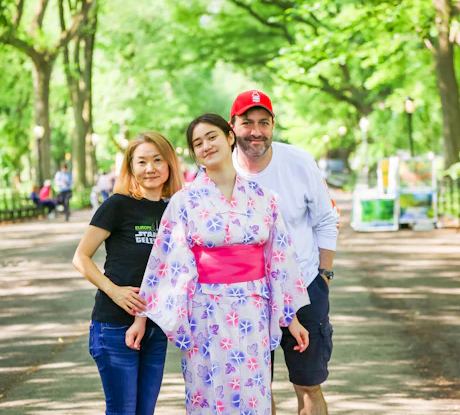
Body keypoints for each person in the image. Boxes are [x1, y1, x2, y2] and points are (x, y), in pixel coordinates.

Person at [129, 114, 311, 415]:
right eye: (197, 143)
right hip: (206, 312)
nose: (206, 146)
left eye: (211, 137)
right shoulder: (184, 201)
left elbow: (279, 259)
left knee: (253, 392)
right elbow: (166, 264)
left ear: (229, 137)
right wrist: (141, 317)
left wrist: (291, 318)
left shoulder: (265, 198)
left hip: (253, 308)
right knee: (208, 393)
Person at [230, 90, 340, 415]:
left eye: (264, 122)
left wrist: (324, 278)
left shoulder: (299, 162)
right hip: (248, 296)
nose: (256, 131)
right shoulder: (221, 172)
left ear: (273, 125)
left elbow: (326, 220)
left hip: (304, 290)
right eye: (247, 122)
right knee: (257, 387)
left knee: (308, 386)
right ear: (232, 125)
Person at [71, 132, 183, 415]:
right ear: (131, 167)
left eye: (158, 160)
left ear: (169, 164)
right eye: (141, 161)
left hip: (154, 327)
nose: (150, 168)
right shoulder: (117, 205)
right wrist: (114, 290)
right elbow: (81, 257)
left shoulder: (174, 210)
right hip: (113, 326)